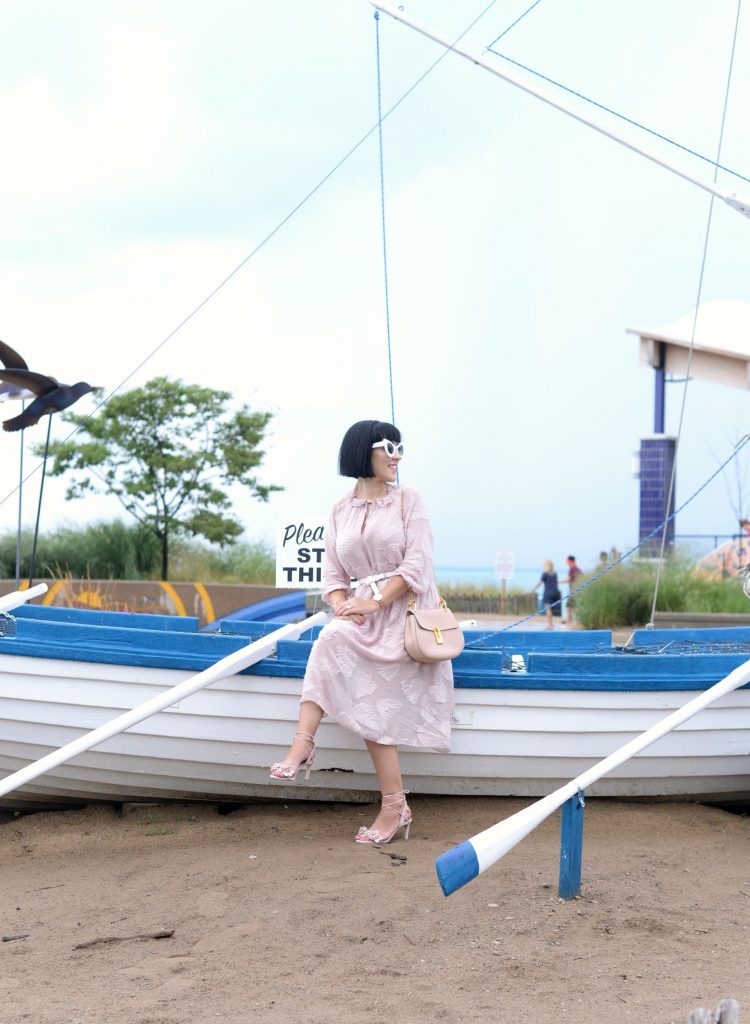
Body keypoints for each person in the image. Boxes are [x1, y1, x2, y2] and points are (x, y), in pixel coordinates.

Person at [269, 419, 454, 845]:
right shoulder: (339, 509)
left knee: (365, 681)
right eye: (388, 446)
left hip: (405, 614)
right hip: (362, 617)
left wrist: (375, 601)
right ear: (362, 451)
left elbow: (418, 564)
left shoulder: (409, 500)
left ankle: (393, 807)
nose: (397, 456)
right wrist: (342, 606)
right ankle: (304, 745)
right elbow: (333, 575)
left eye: (401, 448)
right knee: (332, 638)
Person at [531, 560, 560, 630]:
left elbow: (540, 583)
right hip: (555, 593)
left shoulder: (545, 574)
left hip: (548, 593)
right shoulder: (555, 573)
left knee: (548, 609)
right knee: (551, 609)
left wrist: (534, 589)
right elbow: (556, 583)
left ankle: (550, 625)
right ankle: (551, 623)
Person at [559, 554, 584, 627]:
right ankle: (573, 623)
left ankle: (568, 624)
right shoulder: (578, 569)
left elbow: (569, 579)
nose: (566, 562)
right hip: (577, 590)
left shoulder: (572, 568)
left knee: (568, 608)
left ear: (570, 561)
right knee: (574, 607)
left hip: (573, 591)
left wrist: (559, 581)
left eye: (567, 561)